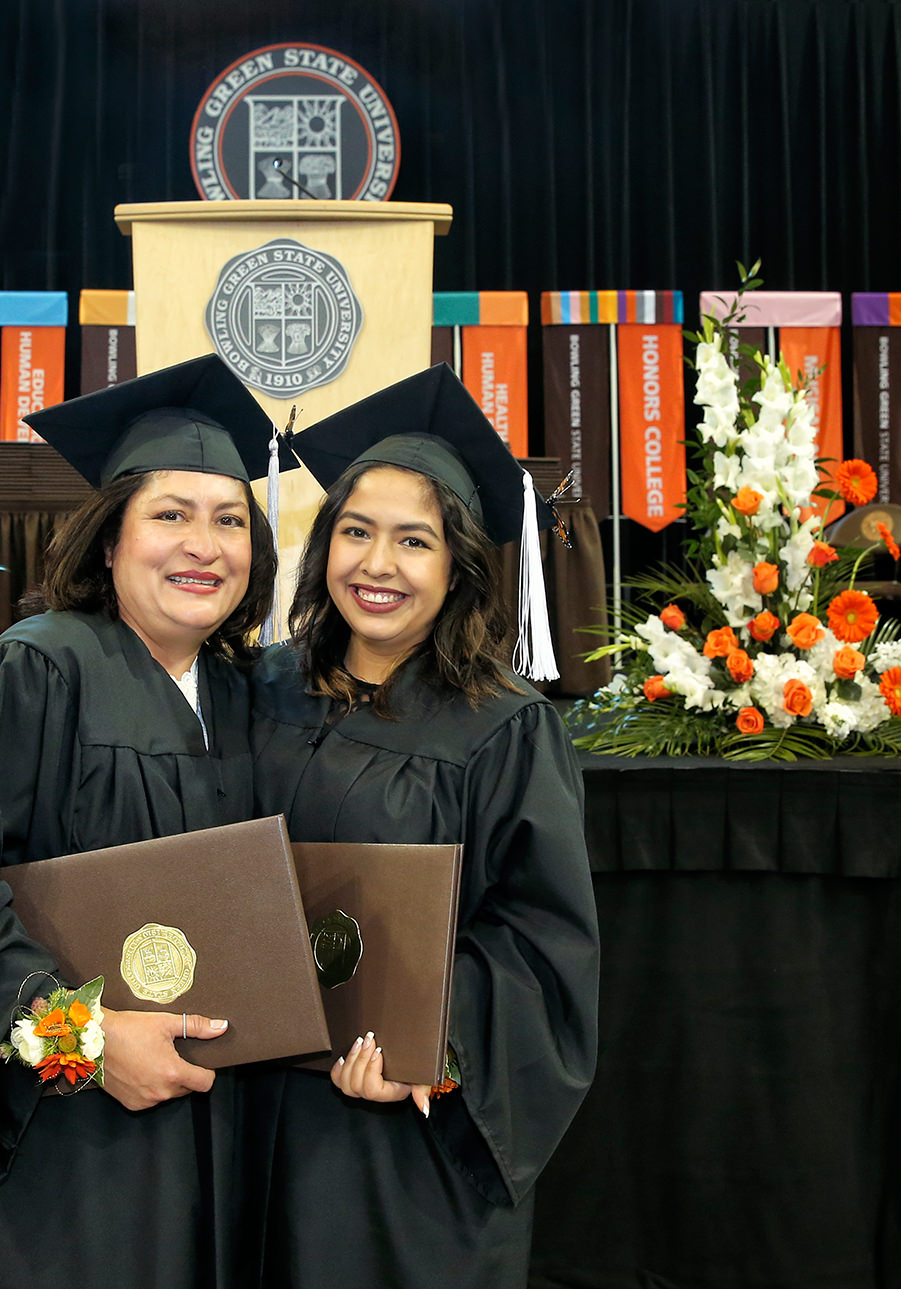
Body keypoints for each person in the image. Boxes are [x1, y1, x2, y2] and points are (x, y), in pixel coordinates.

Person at [0, 354, 289, 1288]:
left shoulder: (243, 694)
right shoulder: (35, 670)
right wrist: (87, 1040)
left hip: (204, 1114)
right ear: (109, 541)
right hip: (66, 1132)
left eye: (229, 520)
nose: (205, 545)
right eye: (170, 516)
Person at [247, 365, 600, 1287]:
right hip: (244, 1099)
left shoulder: (503, 725)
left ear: (459, 568)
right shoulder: (257, 688)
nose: (377, 565)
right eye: (356, 532)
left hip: (392, 1123)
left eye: (415, 541)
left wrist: (430, 1045)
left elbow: (540, 938)